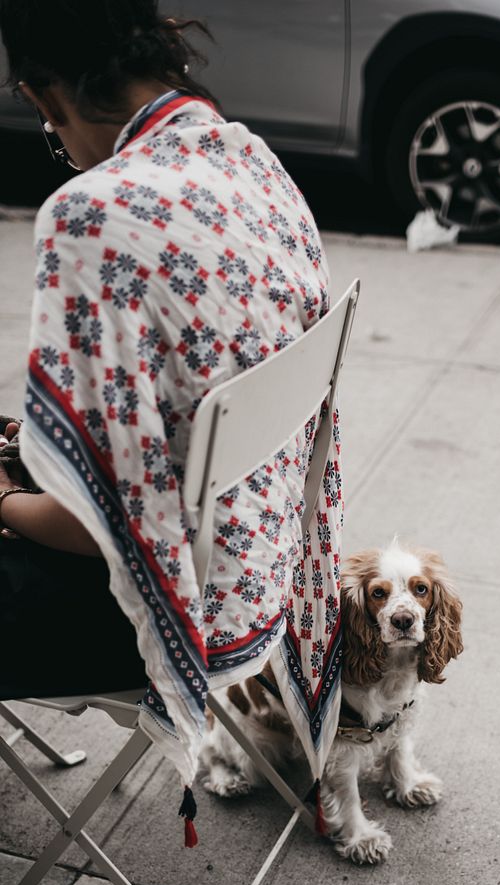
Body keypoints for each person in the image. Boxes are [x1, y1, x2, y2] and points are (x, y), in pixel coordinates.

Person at [0, 0, 345, 827]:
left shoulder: (90, 215)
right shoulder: (253, 163)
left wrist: (5, 500)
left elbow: (96, 530)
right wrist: (40, 459)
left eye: (53, 131)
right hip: (263, 575)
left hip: (163, 612)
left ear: (46, 98)